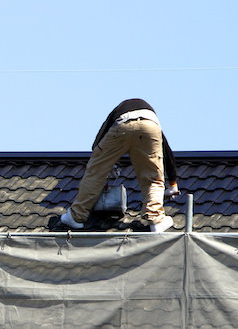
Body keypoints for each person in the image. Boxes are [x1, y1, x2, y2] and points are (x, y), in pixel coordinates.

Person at [59, 98, 178, 232]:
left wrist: (105, 164)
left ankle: (76, 216)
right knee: (153, 178)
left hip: (122, 123)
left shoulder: (116, 112)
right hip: (150, 127)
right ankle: (156, 220)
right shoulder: (149, 117)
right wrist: (172, 184)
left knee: (96, 174)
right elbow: (166, 150)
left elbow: (98, 143)